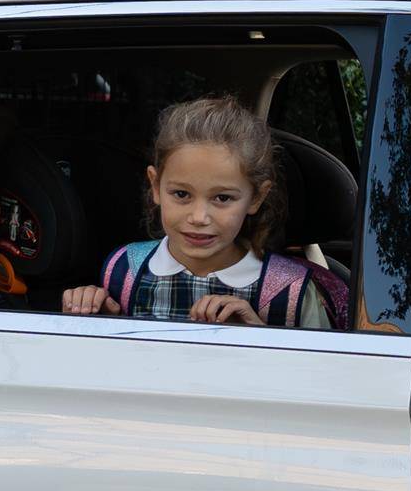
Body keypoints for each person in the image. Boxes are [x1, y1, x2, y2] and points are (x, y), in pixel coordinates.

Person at [62, 97, 345, 328]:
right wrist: (96, 317)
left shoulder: (289, 292)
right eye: (181, 194)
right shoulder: (124, 271)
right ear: (156, 186)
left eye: (222, 198)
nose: (198, 217)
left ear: (256, 198)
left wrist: (258, 335)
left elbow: (320, 375)